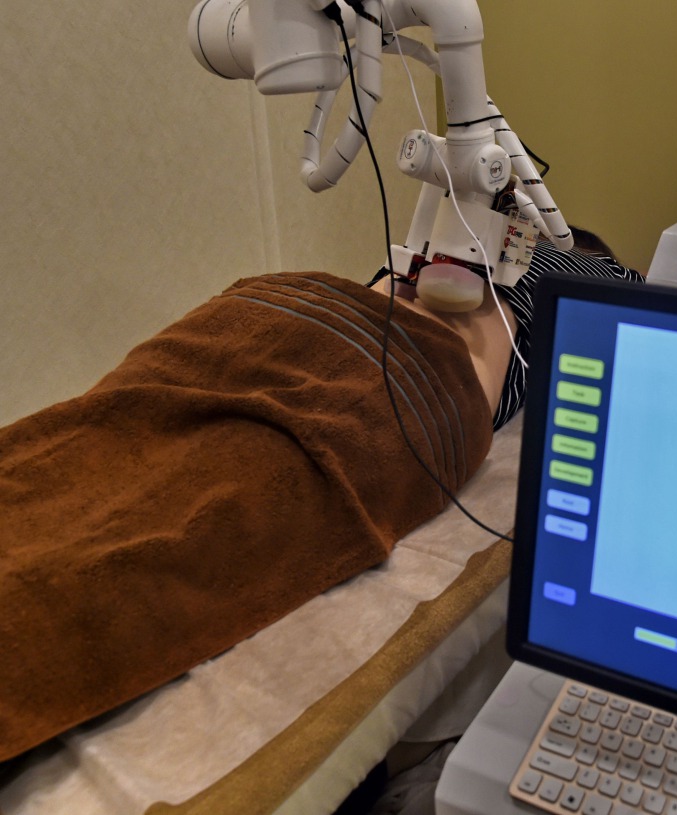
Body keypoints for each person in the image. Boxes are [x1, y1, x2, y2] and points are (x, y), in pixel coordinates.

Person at [0, 233, 642, 761]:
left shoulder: (524, 254)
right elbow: (639, 316)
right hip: (332, 336)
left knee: (100, 454)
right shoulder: (578, 268)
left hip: (308, 318)